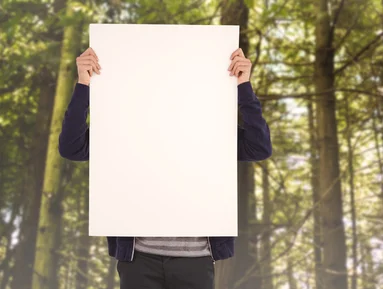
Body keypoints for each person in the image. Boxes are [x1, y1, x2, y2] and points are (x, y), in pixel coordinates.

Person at [58, 47, 272, 289]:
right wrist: (84, 84)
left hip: (196, 259)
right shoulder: (127, 129)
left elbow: (259, 147)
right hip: (139, 258)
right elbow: (71, 148)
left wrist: (243, 86)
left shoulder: (210, 131)